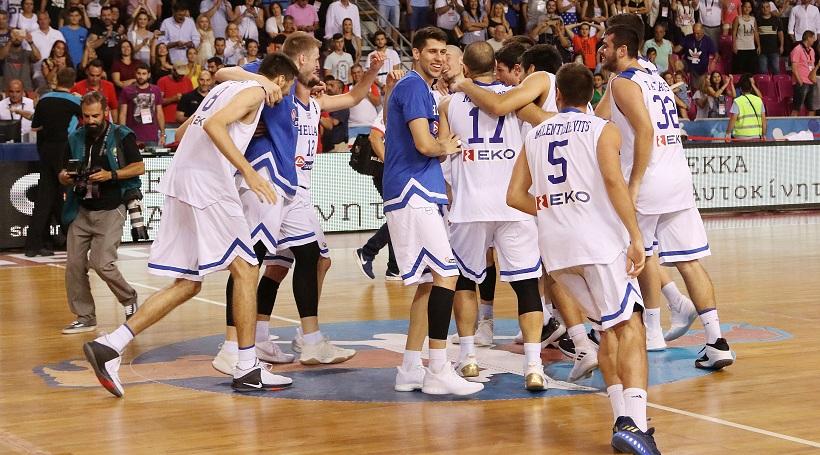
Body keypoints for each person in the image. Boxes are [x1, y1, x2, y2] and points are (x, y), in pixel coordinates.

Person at [83, 53, 299, 397]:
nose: (283, 98)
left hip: (181, 181)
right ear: (282, 81)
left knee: (187, 283)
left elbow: (185, 130)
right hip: (208, 185)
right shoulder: (256, 92)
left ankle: (110, 345)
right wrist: (247, 171)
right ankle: (247, 367)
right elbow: (214, 126)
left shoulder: (224, 89)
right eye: (286, 91)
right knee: (246, 269)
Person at [506, 61, 655, 455]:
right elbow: (613, 181)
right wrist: (636, 235)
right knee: (631, 325)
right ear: (592, 96)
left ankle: (622, 420)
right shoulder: (601, 129)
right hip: (596, 243)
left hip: (556, 250)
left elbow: (514, 196)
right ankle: (637, 424)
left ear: (557, 95)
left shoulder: (535, 134)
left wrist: (555, 210)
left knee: (608, 328)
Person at [211, 32, 370, 370]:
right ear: (301, 60)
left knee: (310, 256)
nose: (319, 65)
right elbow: (223, 73)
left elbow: (352, 97)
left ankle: (309, 341)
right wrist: (260, 81)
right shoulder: (272, 73)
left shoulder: (306, 95)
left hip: (289, 185)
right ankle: (232, 345)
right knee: (249, 261)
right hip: (265, 176)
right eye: (316, 59)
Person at [601, 24, 735, 367]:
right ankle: (716, 341)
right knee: (689, 261)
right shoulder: (654, 77)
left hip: (650, 179)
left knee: (641, 254)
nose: (601, 50)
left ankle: (652, 331)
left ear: (621, 50)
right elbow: (604, 115)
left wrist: (634, 182)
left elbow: (643, 130)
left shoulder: (623, 83)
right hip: (677, 176)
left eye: (606, 45)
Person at [438, 41, 550, 388]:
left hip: (470, 205)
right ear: (496, 66)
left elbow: (442, 154)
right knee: (527, 285)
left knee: (465, 281)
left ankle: (468, 357)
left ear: (465, 68)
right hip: (513, 204)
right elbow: (544, 127)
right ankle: (533, 365)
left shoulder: (448, 103)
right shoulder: (517, 98)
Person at [384, 27, 481, 396]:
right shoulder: (413, 87)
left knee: (427, 284)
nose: (439, 58)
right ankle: (438, 368)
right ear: (415, 53)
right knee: (446, 274)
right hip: (414, 190)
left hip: (415, 189)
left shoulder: (419, 88)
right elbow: (425, 145)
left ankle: (409, 368)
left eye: (444, 52)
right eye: (432, 52)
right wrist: (446, 146)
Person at [56, 91, 143, 334]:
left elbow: (139, 167)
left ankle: (129, 298)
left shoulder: (121, 134)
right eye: (86, 116)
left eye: (95, 116)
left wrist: (110, 175)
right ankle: (85, 316)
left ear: (105, 112)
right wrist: (65, 177)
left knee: (102, 263)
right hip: (82, 209)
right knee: (74, 265)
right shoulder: (75, 137)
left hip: (112, 208)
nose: (91, 120)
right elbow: (62, 173)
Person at [26, 69, 81, 257]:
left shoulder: (44, 99)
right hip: (65, 150)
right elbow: (89, 121)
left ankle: (34, 245)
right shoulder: (75, 101)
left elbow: (35, 127)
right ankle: (74, 240)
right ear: (73, 82)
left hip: (46, 150)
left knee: (46, 198)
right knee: (68, 197)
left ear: (57, 79)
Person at [118, 62, 164, 144]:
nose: (141, 76)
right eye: (139, 73)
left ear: (149, 75)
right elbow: (122, 114)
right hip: (132, 135)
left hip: (152, 135)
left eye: (144, 74)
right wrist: (122, 134)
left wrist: (162, 134)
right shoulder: (127, 90)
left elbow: (159, 113)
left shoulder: (156, 90)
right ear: (135, 74)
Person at [726, 73, 766, 141]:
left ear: (741, 89)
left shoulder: (737, 101)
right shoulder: (759, 100)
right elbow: (764, 120)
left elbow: (733, 119)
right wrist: (764, 134)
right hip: (756, 135)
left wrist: (728, 133)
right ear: (751, 88)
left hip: (740, 136)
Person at [678, 23, 717, 91]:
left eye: (698, 33)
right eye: (694, 33)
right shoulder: (688, 37)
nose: (696, 35)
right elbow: (678, 48)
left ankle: (691, 86)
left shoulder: (708, 40)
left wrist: (714, 61)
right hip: (688, 64)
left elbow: (716, 54)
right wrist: (670, 46)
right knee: (678, 64)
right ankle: (685, 81)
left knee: (698, 88)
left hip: (701, 67)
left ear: (702, 31)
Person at [31, 12, 65, 88]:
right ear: (37, 21)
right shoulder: (32, 35)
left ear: (49, 20)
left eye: (45, 19)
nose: (43, 21)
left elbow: (64, 50)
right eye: (41, 19)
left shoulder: (57, 34)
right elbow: (29, 55)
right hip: (38, 73)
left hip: (57, 72)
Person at [347, 63, 381, 138]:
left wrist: (365, 90)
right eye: (354, 73)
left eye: (358, 72)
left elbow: (377, 102)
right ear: (351, 75)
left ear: (363, 73)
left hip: (371, 125)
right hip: (352, 127)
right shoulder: (347, 88)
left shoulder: (371, 86)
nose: (356, 75)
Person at [86, 5, 122, 71]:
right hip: (101, 65)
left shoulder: (118, 27)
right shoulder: (96, 28)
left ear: (112, 15)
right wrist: (105, 37)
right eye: (104, 15)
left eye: (108, 15)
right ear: (101, 16)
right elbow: (91, 46)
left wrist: (121, 35)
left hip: (116, 65)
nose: (107, 17)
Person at [790, 30, 817, 116]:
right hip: (801, 82)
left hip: (811, 82)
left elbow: (812, 66)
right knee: (796, 108)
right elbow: (794, 68)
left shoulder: (812, 50)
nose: (814, 40)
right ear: (808, 38)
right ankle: (792, 124)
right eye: (813, 38)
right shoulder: (797, 49)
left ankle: (810, 125)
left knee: (812, 108)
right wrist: (800, 82)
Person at [319, 79, 349, 151]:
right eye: (327, 85)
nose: (328, 87)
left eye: (332, 86)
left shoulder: (342, 104)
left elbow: (334, 122)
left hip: (337, 146)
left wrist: (317, 115)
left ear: (340, 89)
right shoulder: (325, 103)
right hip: (326, 145)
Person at [732, 0, 759, 75]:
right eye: (745, 7)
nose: (747, 9)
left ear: (751, 9)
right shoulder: (737, 18)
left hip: (751, 47)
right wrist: (734, 45)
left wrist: (759, 45)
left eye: (749, 7)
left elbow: (756, 32)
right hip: (740, 47)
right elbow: (734, 32)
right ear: (742, 7)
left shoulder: (753, 19)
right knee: (739, 70)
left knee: (750, 71)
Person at [757, 1, 784, 75]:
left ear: (770, 8)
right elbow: (756, 35)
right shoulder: (757, 20)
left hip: (774, 50)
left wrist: (781, 46)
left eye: (767, 7)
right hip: (762, 51)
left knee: (776, 71)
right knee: (763, 72)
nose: (765, 9)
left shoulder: (776, 19)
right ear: (761, 9)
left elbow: (780, 33)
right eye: (763, 7)